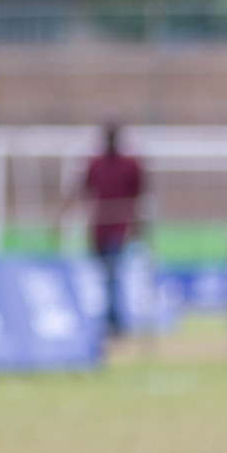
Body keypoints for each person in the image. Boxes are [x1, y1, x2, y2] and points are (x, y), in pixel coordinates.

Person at [81, 121, 145, 335]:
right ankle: (111, 320)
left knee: (112, 274)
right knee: (104, 276)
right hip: (98, 228)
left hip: (119, 229)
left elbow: (137, 197)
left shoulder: (131, 165)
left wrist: (137, 225)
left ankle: (115, 322)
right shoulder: (95, 164)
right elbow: (83, 191)